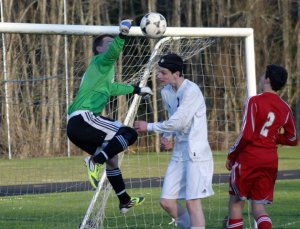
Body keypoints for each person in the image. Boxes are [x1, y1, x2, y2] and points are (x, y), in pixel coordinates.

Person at [67, 19, 152, 214]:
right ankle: (94, 161)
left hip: (77, 126)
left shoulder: (101, 73)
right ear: (98, 49)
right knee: (129, 133)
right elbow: (114, 52)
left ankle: (124, 200)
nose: (111, 44)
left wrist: (136, 89)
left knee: (112, 158)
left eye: (113, 40)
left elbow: (112, 88)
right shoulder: (101, 61)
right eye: (107, 42)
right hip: (83, 119)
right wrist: (122, 34)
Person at [134, 53, 214, 229]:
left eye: (163, 73)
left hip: (196, 154)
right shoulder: (166, 92)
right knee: (167, 201)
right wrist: (168, 137)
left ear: (176, 73)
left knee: (192, 202)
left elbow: (179, 121)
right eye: (158, 72)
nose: (159, 76)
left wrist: (149, 127)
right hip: (179, 153)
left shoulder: (191, 91)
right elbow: (173, 116)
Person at [225, 64, 298, 229]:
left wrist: (231, 155)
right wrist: (272, 136)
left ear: (268, 79)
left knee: (236, 203)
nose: (260, 77)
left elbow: (247, 134)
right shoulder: (285, 107)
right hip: (269, 161)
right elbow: (293, 138)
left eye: (262, 75)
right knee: (259, 207)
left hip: (249, 158)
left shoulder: (254, 101)